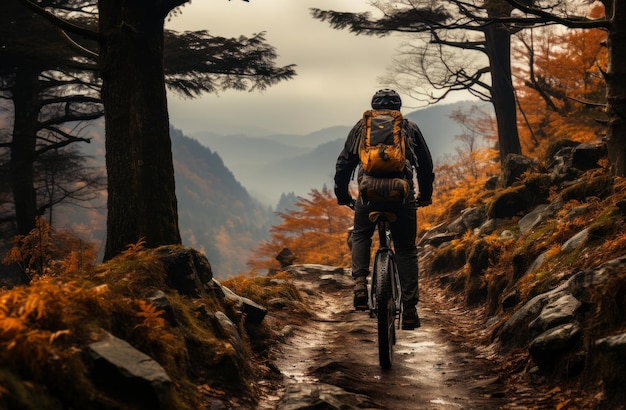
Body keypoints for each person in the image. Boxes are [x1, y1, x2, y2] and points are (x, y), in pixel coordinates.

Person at [334, 89, 434, 330]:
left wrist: (342, 195)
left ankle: (359, 286)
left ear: (373, 106)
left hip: (368, 196)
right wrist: (425, 196)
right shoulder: (408, 127)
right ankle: (409, 310)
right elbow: (426, 165)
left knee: (360, 234)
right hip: (402, 196)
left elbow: (344, 164)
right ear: (398, 108)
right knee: (406, 248)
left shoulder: (362, 127)